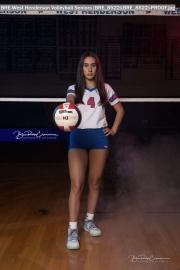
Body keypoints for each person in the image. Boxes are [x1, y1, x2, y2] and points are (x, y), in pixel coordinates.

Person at [66, 51, 124, 249]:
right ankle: (72, 229)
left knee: (95, 181)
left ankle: (89, 221)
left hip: (99, 137)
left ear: (97, 68)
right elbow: (70, 101)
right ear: (81, 68)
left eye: (93, 65)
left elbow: (120, 110)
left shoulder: (105, 88)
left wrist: (113, 129)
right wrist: (69, 106)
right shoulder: (73, 88)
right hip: (79, 136)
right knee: (77, 184)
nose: (89, 69)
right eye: (85, 65)